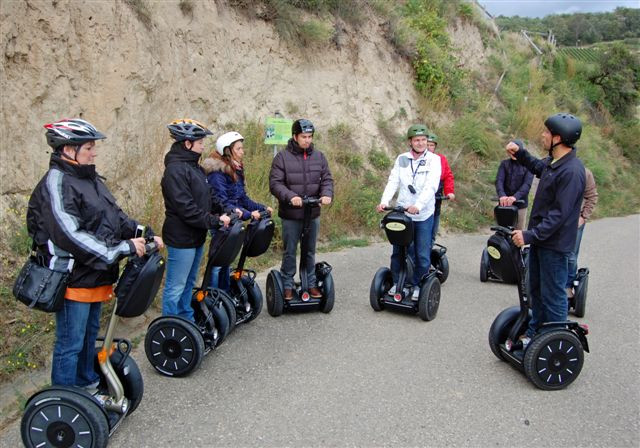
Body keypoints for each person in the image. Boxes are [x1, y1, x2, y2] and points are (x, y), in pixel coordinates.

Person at [27, 118, 163, 388]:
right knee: (70, 344)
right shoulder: (57, 183)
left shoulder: (90, 179)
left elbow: (115, 218)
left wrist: (143, 234)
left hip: (94, 275)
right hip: (70, 279)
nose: (94, 152)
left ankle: (87, 385)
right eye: (88, 147)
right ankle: (65, 402)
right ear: (68, 149)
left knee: (89, 337)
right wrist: (122, 248)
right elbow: (71, 235)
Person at [508, 113, 586, 346]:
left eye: (546, 133)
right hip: (541, 241)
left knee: (553, 296)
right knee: (536, 291)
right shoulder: (554, 163)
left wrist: (529, 235)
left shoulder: (571, 171)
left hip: (555, 244)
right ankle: (535, 333)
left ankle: (555, 342)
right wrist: (519, 153)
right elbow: (536, 166)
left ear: (558, 138)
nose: (542, 135)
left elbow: (559, 216)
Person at [160, 119, 231, 321]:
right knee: (176, 286)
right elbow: (186, 209)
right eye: (200, 142)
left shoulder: (195, 168)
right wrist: (215, 221)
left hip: (196, 235)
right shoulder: (174, 170)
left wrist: (225, 209)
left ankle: (186, 320)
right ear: (187, 143)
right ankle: (169, 327)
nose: (203, 145)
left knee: (189, 282)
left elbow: (209, 196)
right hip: (180, 237)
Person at [269, 119, 334, 300]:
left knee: (310, 250)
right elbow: (275, 184)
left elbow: (327, 179)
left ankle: (310, 283)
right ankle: (287, 285)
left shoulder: (319, 156)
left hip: (312, 212)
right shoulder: (282, 157)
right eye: (304, 137)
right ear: (295, 137)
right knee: (290, 250)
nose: (307, 140)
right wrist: (291, 197)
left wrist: (326, 193)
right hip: (291, 214)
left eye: (310, 137)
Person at [202, 131, 272, 290]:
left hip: (234, 221)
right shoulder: (216, 172)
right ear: (228, 150)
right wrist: (248, 214)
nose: (242, 151)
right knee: (217, 265)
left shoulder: (235, 169)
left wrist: (262, 208)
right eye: (239, 148)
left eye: (242, 148)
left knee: (226, 262)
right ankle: (212, 297)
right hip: (221, 222)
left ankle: (225, 297)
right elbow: (222, 201)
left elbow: (242, 199)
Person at [376, 124, 441, 298]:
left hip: (423, 214)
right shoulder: (402, 159)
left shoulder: (434, 160)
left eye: (423, 140)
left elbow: (431, 186)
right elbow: (393, 181)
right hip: (403, 213)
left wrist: (418, 205)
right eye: (417, 140)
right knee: (398, 251)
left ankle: (418, 284)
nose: (420, 143)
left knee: (421, 253)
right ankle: (398, 282)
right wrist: (384, 201)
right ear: (410, 142)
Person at [567, 167, 598, 298]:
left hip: (575, 222)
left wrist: (583, 217)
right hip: (554, 221)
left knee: (571, 255)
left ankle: (568, 286)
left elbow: (592, 196)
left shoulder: (585, 173)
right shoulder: (555, 169)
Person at [426, 133, 455, 245]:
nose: (429, 147)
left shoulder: (441, 159)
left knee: (433, 228)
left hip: (436, 197)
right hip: (422, 200)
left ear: (435, 146)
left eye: (431, 145)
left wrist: (449, 192)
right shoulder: (419, 160)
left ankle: (429, 248)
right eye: (427, 144)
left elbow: (448, 176)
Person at [495, 148, 534, 230]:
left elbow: (527, 185)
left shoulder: (528, 166)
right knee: (501, 231)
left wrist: (515, 197)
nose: (513, 153)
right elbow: (499, 180)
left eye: (515, 151)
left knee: (518, 233)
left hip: (520, 204)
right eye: (511, 151)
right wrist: (502, 195)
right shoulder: (504, 164)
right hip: (504, 204)